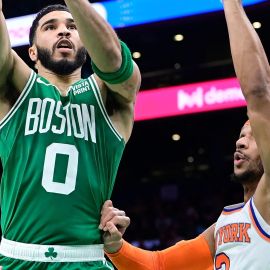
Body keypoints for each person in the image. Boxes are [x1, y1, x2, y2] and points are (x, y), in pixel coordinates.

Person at [99, 0, 270, 269]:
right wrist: (115, 247)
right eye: (241, 134)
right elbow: (160, 265)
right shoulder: (225, 225)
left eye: (253, 136)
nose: (240, 141)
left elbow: (260, 93)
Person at [0, 0, 141, 268]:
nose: (63, 32)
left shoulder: (110, 94)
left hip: (87, 259)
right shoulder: (13, 89)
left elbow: (113, 59)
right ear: (31, 52)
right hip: (19, 257)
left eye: (73, 27)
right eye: (50, 27)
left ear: (87, 44)